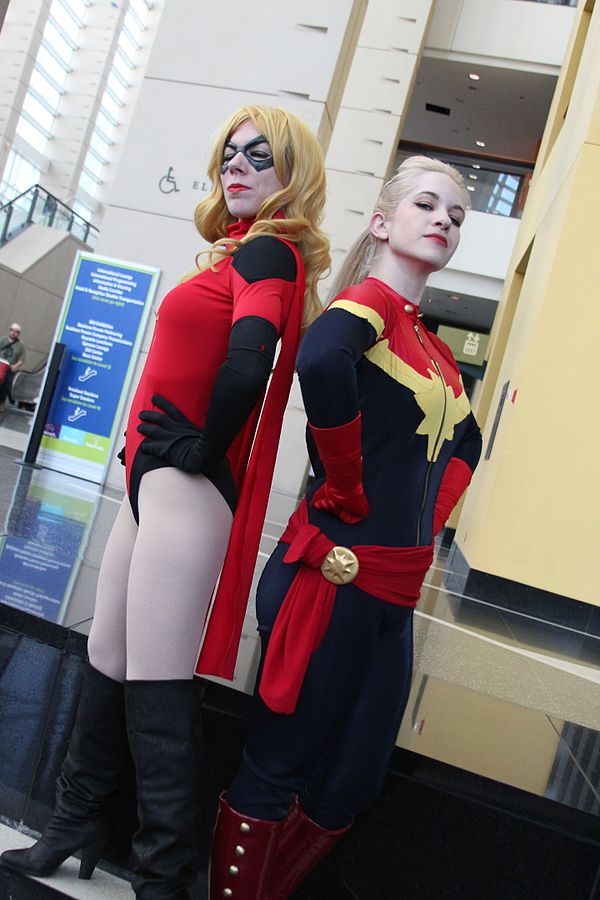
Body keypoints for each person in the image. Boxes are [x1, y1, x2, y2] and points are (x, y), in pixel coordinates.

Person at [0, 106, 330, 898]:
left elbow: (250, 365)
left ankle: (163, 873)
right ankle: (77, 825)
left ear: (295, 174)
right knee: (106, 656)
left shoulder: (270, 255)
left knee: (157, 678)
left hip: (185, 489)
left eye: (261, 155)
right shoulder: (233, 255)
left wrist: (199, 447)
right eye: (229, 152)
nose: (237, 165)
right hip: (155, 483)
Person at [208, 156, 483, 899]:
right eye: (427, 205)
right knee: (279, 760)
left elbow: (468, 440)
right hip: (332, 582)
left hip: (391, 596)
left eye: (456, 216)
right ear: (382, 221)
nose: (443, 221)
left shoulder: (433, 350)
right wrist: (346, 476)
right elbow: (320, 357)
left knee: (352, 782)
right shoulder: (367, 309)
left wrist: (426, 520)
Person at [0, 323, 26, 413]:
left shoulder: (21, 346)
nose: (13, 333)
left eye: (16, 332)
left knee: (6, 387)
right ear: (9, 330)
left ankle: (1, 403)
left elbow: (22, 359)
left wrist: (15, 366)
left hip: (9, 369)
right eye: (12, 331)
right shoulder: (2, 340)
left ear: (18, 334)